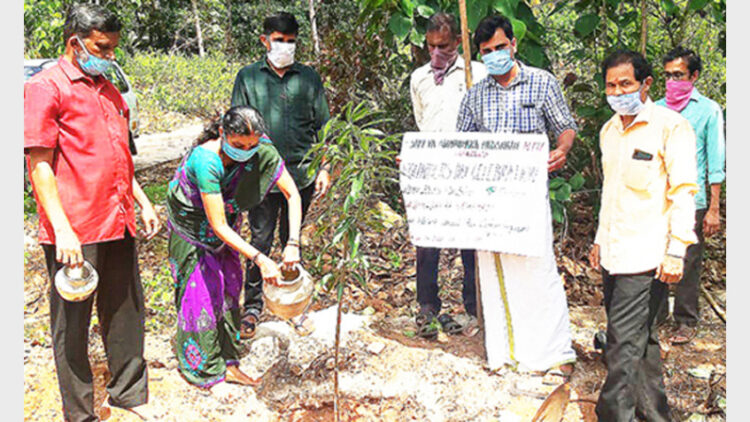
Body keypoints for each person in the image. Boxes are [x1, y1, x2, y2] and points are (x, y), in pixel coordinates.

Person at [24, 4, 159, 421]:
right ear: (75, 42)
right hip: (76, 228)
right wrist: (62, 229)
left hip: (117, 219)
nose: (110, 56)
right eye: (103, 47)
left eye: (115, 48)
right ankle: (80, 413)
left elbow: (120, 156)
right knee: (73, 324)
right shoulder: (48, 88)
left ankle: (128, 398)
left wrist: (143, 201)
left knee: (126, 313)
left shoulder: (109, 89)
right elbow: (39, 164)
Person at [455, 14, 577, 374]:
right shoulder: (475, 96)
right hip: (491, 198)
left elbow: (565, 126)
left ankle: (555, 354)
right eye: (486, 51)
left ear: (514, 45)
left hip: (529, 194)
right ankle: (506, 353)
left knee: (537, 268)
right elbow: (459, 146)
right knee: (495, 273)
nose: (494, 55)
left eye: (499, 47)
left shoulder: (542, 83)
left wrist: (563, 149)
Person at [589, 49, 698, 421]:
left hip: (647, 256)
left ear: (646, 84)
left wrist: (676, 250)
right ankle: (655, 415)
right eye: (611, 85)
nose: (618, 91)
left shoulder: (670, 127)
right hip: (614, 254)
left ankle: (613, 415)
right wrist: (600, 240)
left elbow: (683, 190)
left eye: (626, 84)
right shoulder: (609, 130)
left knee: (620, 346)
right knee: (643, 343)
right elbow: (611, 193)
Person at [165, 106, 302, 390]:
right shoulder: (206, 161)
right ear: (224, 134)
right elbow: (217, 225)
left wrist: (293, 244)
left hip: (225, 224)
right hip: (192, 228)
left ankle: (228, 361)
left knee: (228, 287)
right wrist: (259, 257)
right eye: (239, 145)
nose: (246, 152)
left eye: (252, 145)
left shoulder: (261, 149)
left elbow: (293, 195)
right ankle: (202, 366)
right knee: (199, 294)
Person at [230, 11, 330, 338]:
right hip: (259, 179)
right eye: (279, 40)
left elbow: (324, 127)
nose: (285, 46)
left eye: (290, 41)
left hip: (301, 174)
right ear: (264, 40)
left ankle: (295, 307)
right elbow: (238, 127)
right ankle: (254, 307)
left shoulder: (308, 78)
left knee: (293, 241)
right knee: (260, 240)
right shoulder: (248, 78)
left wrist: (325, 167)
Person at [408, 12, 487, 338]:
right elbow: (421, 119)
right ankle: (427, 307)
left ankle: (473, 307)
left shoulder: (476, 74)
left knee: (471, 240)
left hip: (469, 169)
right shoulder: (420, 78)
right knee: (428, 240)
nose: (437, 52)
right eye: (430, 46)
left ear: (458, 41)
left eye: (443, 45)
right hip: (433, 170)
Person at [654, 47, 725, 345]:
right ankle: (656, 318)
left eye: (678, 75)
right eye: (668, 75)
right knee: (656, 257)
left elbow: (716, 161)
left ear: (693, 76)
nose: (672, 81)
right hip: (658, 198)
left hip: (691, 201)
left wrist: (713, 208)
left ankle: (685, 320)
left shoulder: (708, 110)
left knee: (688, 261)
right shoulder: (655, 108)